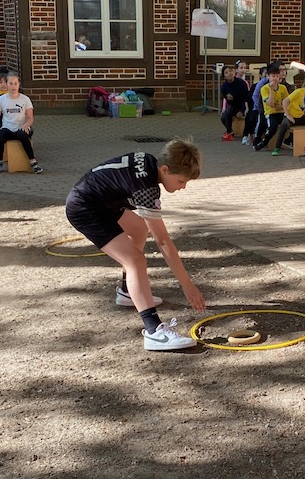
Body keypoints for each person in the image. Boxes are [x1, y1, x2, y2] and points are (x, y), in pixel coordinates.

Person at [64, 140, 207, 351]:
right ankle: (154, 331)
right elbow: (163, 242)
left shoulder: (149, 162)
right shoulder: (147, 188)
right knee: (135, 261)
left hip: (102, 203)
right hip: (85, 209)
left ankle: (127, 291)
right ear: (164, 169)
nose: (182, 187)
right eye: (180, 181)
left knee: (139, 228)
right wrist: (188, 285)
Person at [0, 71, 40, 173]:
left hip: (21, 127)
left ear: (19, 84)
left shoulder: (25, 99)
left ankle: (33, 162)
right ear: (7, 84)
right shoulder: (1, 99)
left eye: (15, 83)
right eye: (10, 83)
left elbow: (30, 118)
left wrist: (26, 125)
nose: (13, 86)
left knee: (22, 135)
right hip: (8, 128)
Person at [266, 73, 305, 156]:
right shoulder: (299, 91)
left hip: (300, 116)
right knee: (284, 125)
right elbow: (285, 101)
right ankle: (277, 147)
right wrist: (288, 115)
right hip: (291, 116)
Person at [254, 62, 290, 152]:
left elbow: (287, 102)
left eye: (277, 76)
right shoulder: (264, 89)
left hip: (281, 112)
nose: (275, 78)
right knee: (272, 127)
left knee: (289, 122)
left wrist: (281, 107)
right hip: (271, 113)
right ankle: (264, 142)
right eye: (273, 76)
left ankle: (287, 141)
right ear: (268, 76)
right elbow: (271, 104)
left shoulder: (283, 88)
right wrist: (271, 90)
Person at [218, 65, 248, 141]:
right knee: (224, 116)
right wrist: (230, 99)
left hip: (244, 104)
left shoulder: (241, 83)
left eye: (230, 71)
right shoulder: (224, 87)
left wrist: (242, 111)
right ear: (224, 77)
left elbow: (246, 98)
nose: (229, 73)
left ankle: (231, 131)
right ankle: (230, 131)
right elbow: (228, 102)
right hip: (233, 105)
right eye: (226, 72)